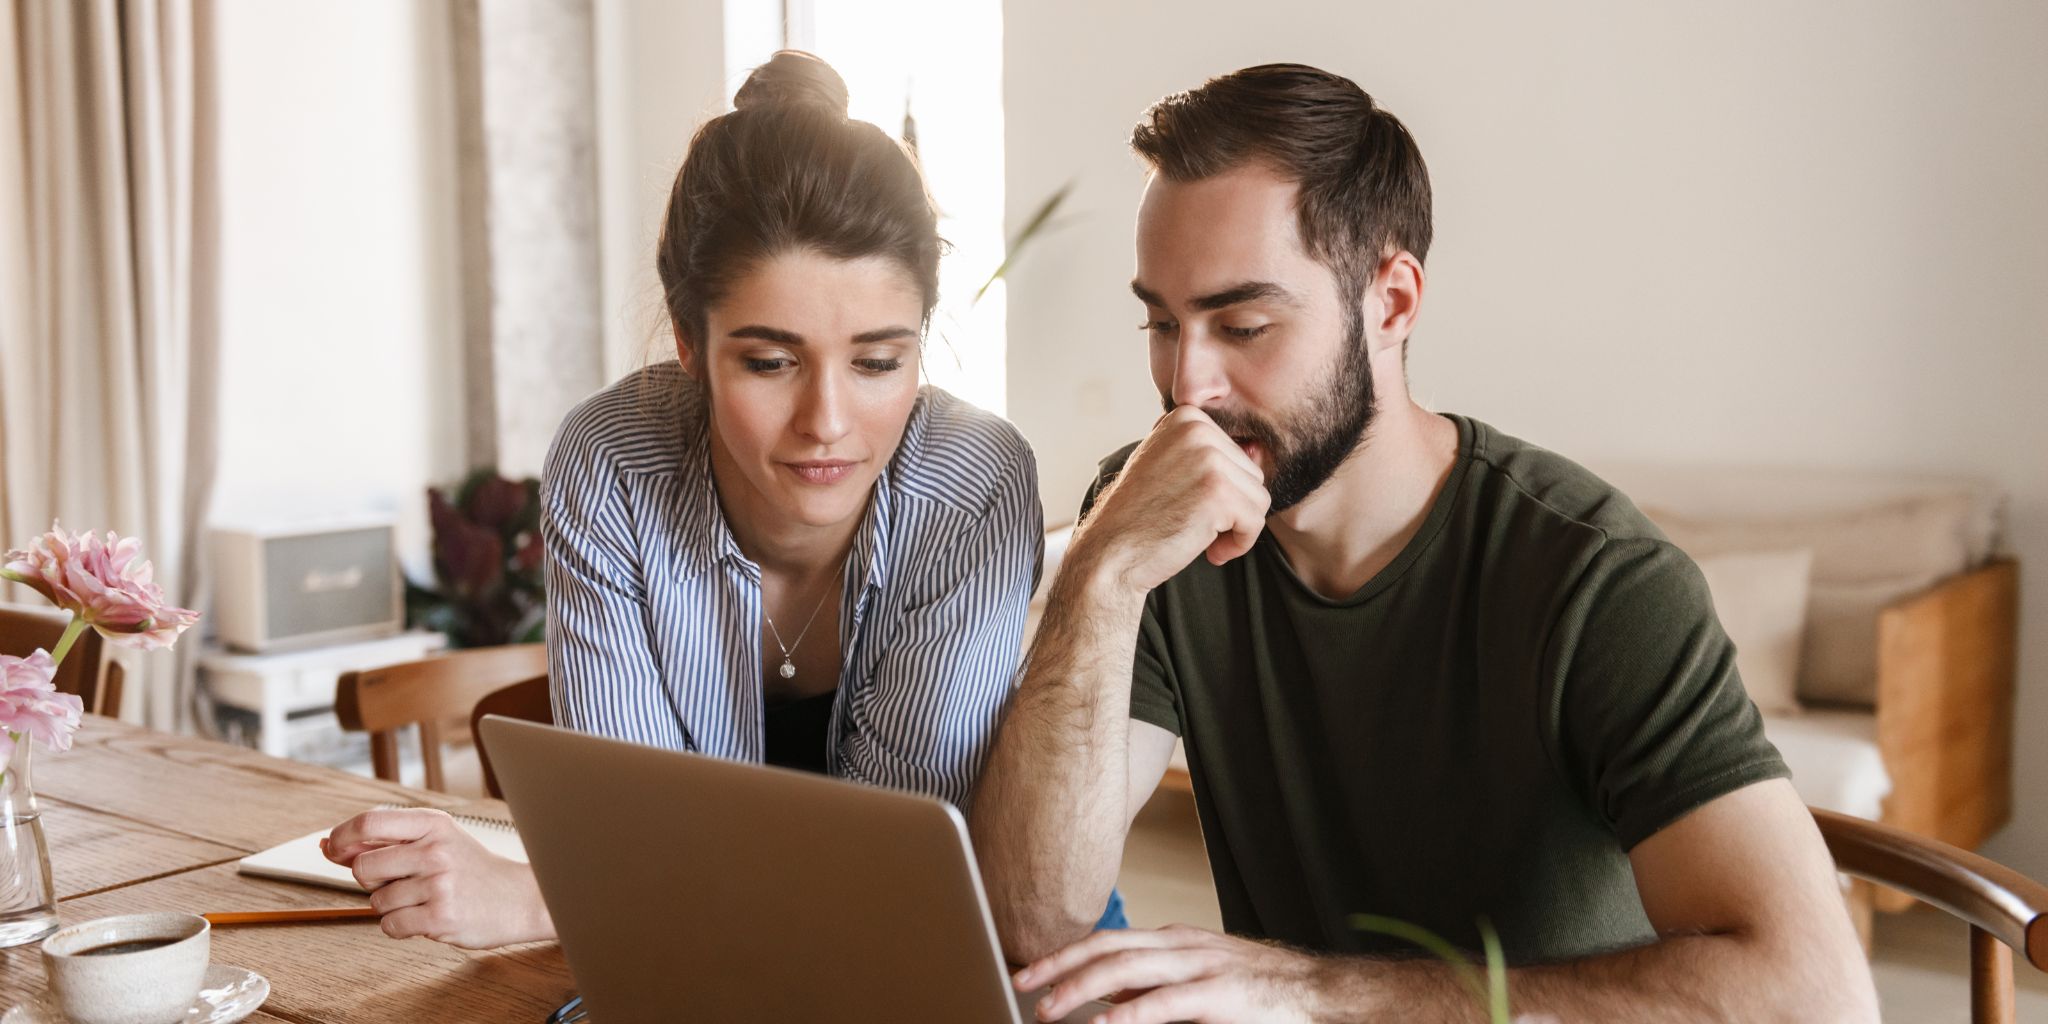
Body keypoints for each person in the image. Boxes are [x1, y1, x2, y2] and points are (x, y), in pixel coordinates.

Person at [970, 64, 1879, 1022]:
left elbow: (1815, 997)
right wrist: (1102, 575)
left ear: (1392, 303)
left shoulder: (1597, 580)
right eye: (1161, 322)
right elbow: (1034, 923)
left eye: (1243, 324)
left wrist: (1317, 991)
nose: (1188, 384)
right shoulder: (1155, 522)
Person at [320, 51, 1110, 949]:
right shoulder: (613, 462)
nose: (827, 422)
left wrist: (545, 902)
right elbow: (630, 831)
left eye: (879, 362)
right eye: (769, 362)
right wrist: (605, 882)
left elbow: (892, 879)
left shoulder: (973, 485)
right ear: (689, 341)